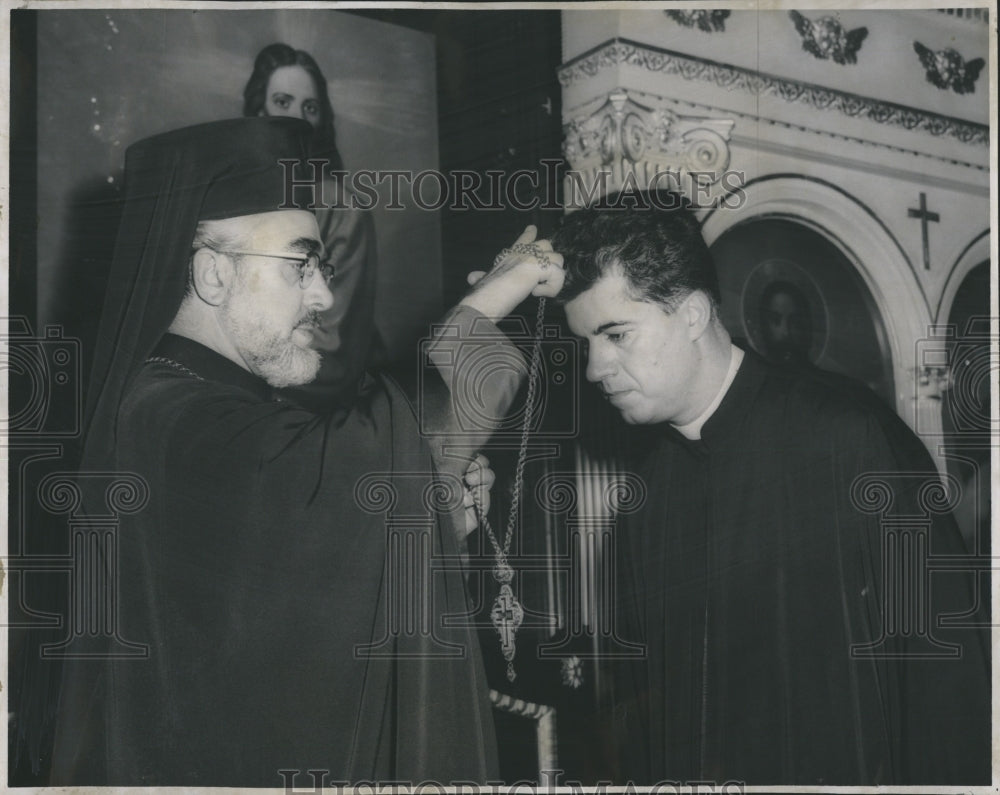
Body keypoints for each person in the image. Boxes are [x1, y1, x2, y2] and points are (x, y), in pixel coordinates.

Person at [49, 117, 564, 786]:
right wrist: (495, 295)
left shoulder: (196, 404)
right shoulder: (173, 415)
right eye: (300, 264)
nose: (323, 296)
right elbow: (358, 460)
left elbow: (280, 615)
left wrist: (428, 513)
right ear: (212, 273)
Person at [552, 193, 989, 785]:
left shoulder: (846, 436)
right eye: (586, 343)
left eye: (616, 335)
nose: (594, 369)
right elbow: (645, 715)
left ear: (693, 314)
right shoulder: (647, 496)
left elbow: (945, 673)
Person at [243, 42, 384, 410]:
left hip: (310, 403)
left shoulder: (342, 210)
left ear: (321, 122)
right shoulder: (233, 198)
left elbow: (329, 346)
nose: (297, 119)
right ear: (259, 110)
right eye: (283, 102)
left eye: (310, 108)